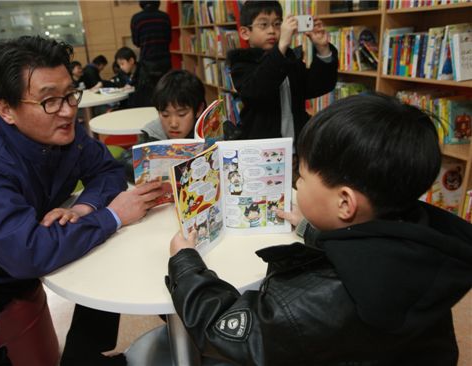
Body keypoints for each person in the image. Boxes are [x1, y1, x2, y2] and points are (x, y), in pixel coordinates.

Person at [166, 93, 472, 365]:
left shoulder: (308, 304)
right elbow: (363, 252)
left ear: (344, 203)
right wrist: (315, 231)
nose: (297, 184)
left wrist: (186, 263)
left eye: (301, 176)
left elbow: (227, 331)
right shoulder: (420, 242)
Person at [0, 35, 163, 366]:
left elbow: (107, 170)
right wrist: (111, 216)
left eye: (70, 94)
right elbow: (25, 253)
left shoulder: (61, 125)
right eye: (50, 100)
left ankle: (84, 358)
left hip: (27, 243)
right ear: (6, 109)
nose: (67, 111)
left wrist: (84, 208)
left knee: (110, 258)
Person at [227, 0, 338, 142]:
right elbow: (256, 91)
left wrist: (323, 49)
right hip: (263, 145)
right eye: (263, 25)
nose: (272, 31)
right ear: (245, 33)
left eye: (277, 24)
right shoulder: (242, 63)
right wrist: (281, 47)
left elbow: (317, 87)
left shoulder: (289, 59)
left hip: (297, 140)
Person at [120, 69, 205, 182]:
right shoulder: (152, 134)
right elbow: (122, 162)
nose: (173, 124)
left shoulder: (209, 130)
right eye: (165, 115)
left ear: (198, 109)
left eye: (181, 114)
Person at [130, 0, 171, 80]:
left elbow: (136, 42)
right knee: (166, 88)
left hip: (147, 62)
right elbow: (169, 39)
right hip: (164, 61)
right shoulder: (165, 17)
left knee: (148, 89)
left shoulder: (136, 18)